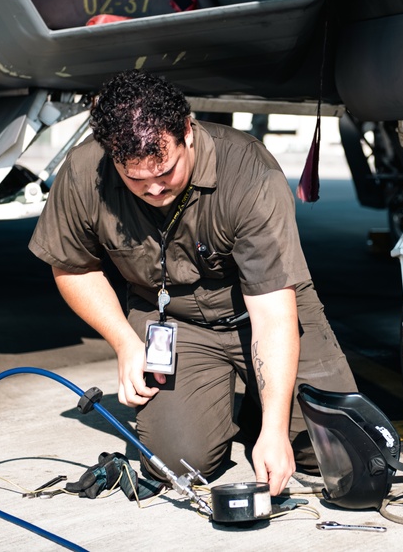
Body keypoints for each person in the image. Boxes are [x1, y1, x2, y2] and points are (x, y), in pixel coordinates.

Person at [29, 69, 357, 496]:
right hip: (175, 322)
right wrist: (125, 342)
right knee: (179, 464)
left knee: (342, 452)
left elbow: (274, 314)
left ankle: (261, 410)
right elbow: (73, 267)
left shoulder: (251, 174)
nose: (153, 189)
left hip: (255, 310)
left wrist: (275, 431)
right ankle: (226, 407)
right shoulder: (83, 171)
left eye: (165, 171)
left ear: (187, 129)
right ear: (111, 154)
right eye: (135, 179)